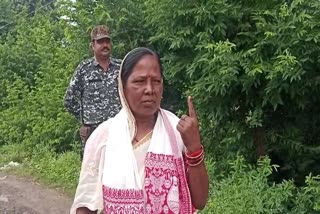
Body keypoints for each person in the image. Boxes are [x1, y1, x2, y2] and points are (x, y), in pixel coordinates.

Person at [70, 47, 209, 214]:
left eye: (156, 81)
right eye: (140, 81)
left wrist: (194, 147)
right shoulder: (104, 137)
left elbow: (200, 201)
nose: (149, 89)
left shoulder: (177, 131)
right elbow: (86, 205)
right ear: (123, 86)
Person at [64, 25, 121, 159]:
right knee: (92, 174)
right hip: (93, 133)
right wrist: (84, 121)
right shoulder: (84, 69)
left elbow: (132, 95)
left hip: (118, 131)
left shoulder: (121, 67)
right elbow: (69, 100)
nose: (105, 45)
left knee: (119, 173)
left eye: (107, 41)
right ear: (92, 45)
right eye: (100, 42)